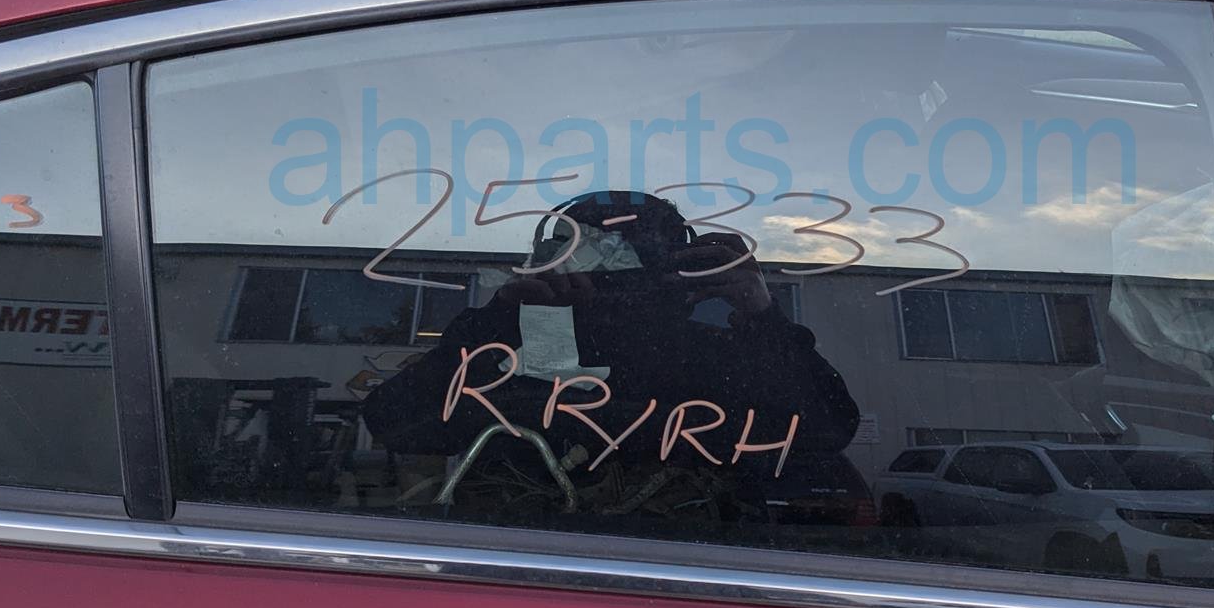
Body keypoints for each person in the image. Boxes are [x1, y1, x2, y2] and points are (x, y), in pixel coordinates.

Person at [361, 191, 859, 527]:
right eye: (578, 255)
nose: (606, 285)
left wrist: (762, 318)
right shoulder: (508, 352)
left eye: (626, 260)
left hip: (682, 573)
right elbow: (394, 423)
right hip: (527, 575)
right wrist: (501, 321)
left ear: (676, 270)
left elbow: (827, 432)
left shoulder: (719, 355)